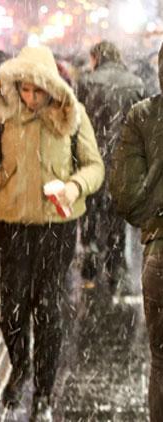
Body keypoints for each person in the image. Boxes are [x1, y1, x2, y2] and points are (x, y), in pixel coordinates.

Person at [0, 46, 104, 420]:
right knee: (13, 311)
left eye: (39, 90)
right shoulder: (1, 116)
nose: (31, 98)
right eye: (25, 89)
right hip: (12, 225)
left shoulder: (73, 115)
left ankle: (44, 395)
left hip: (57, 227)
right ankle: (20, 366)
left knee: (48, 310)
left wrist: (75, 186)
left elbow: (95, 166)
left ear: (52, 87)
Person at [109, 41, 163, 422]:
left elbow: (126, 194)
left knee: (161, 362)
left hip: (161, 252)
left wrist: (156, 218)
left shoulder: (143, 116)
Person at [76, 41, 145, 294]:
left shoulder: (87, 82)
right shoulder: (136, 83)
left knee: (91, 215)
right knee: (117, 219)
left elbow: (77, 124)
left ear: (96, 57)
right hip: (124, 162)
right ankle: (115, 269)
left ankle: (91, 267)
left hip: (92, 158)